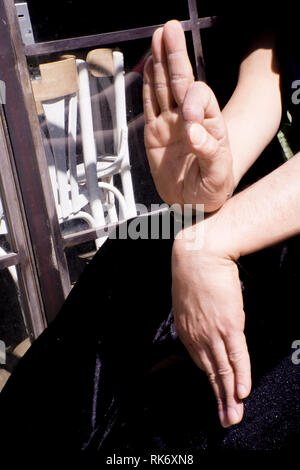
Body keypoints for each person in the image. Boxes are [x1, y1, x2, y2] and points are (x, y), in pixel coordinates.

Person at [1, 14, 300, 458]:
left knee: (224, 435)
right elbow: (267, 80)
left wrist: (218, 239)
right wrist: (212, 170)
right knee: (134, 248)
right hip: (250, 211)